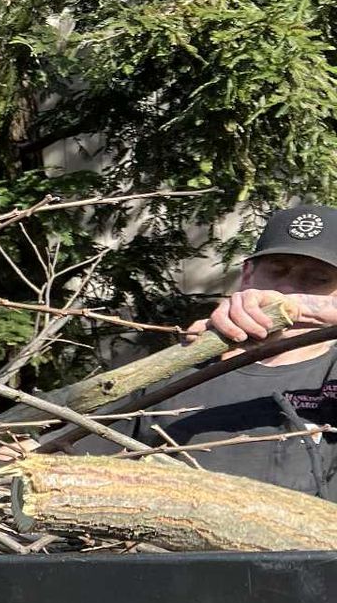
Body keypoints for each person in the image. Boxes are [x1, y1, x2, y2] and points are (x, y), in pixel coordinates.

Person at [81, 203, 337, 498]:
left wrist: (299, 307)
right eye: (276, 271)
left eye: (318, 279)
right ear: (248, 275)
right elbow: (64, 458)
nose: (287, 288)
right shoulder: (177, 370)